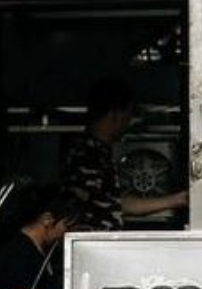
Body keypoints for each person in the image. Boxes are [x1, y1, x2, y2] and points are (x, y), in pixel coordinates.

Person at [64, 78, 188, 230]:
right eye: (127, 116)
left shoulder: (98, 152)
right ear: (115, 114)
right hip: (92, 241)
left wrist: (178, 200)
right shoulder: (88, 154)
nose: (128, 123)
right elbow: (121, 204)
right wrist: (178, 200)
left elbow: (120, 202)